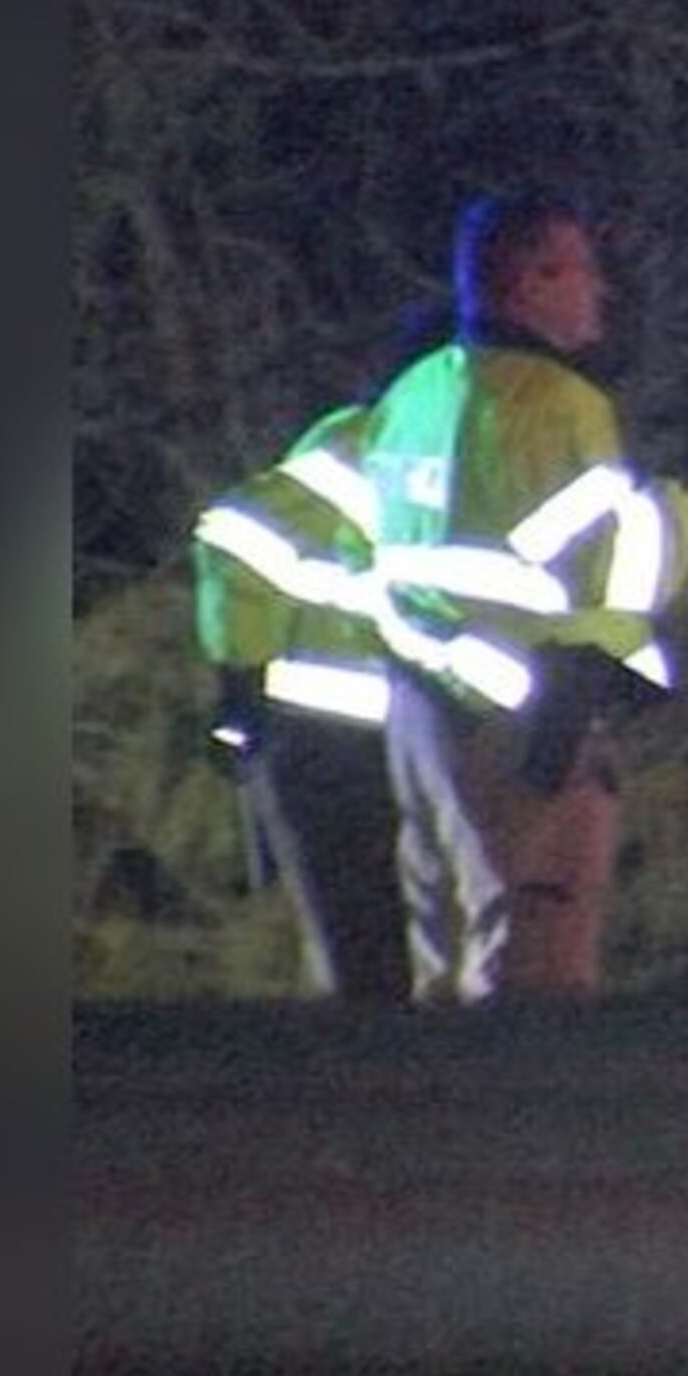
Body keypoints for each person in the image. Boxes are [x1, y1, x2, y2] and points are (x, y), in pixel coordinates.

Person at [361, 191, 688, 1002]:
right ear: (530, 280)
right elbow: (606, 569)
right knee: (537, 963)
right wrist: (676, 517)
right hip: (530, 720)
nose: (599, 291)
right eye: (581, 269)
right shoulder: (556, 404)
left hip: (420, 707)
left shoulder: (414, 396)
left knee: (443, 958)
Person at [190, 399, 405, 1000]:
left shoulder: (286, 499)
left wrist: (237, 697)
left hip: (310, 741)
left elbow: (234, 563)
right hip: (442, 741)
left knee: (350, 942)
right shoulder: (463, 481)